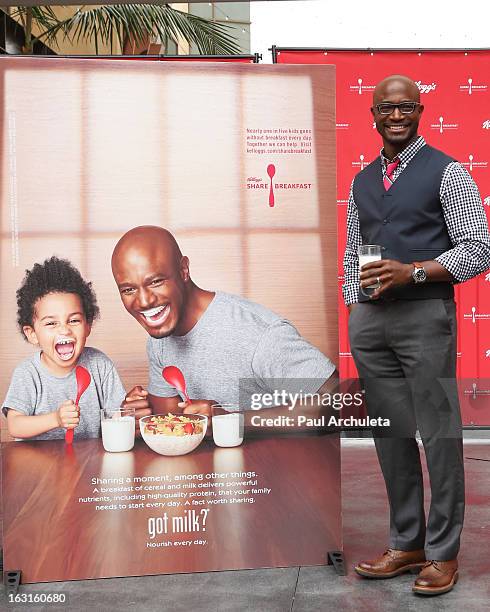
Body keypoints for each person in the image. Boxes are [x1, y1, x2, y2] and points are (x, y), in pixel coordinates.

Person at [343, 74, 490, 595]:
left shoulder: (447, 172)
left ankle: (443, 553)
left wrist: (416, 272)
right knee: (391, 435)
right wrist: (354, 305)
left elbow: (478, 248)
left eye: (406, 107)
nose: (396, 116)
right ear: (375, 116)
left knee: (440, 436)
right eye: (387, 109)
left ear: (421, 110)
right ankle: (407, 543)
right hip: (372, 322)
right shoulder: (362, 180)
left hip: (425, 316)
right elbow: (352, 249)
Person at [111, 225, 337, 420]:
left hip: (285, 466)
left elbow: (340, 400)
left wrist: (231, 422)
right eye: (129, 289)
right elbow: (173, 420)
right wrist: (140, 414)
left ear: (183, 270)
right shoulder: (160, 338)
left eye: (156, 281)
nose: (144, 301)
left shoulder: (256, 333)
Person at [3, 256, 128, 441]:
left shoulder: (99, 365)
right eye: (51, 323)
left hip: (88, 461)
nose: (64, 329)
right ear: (32, 333)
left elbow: (117, 415)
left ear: (88, 325)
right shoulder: (28, 373)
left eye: (74, 320)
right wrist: (56, 419)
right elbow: (15, 426)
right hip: (39, 465)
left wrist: (129, 408)